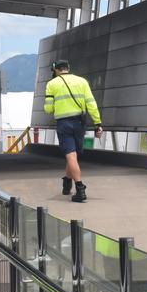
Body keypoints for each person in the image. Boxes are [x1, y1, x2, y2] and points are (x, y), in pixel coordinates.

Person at [44, 59, 102, 202]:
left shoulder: (52, 84)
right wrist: (97, 123)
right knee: (73, 155)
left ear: (56, 70)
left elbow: (48, 109)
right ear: (68, 68)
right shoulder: (82, 81)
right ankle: (67, 182)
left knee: (70, 156)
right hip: (80, 123)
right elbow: (91, 103)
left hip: (64, 124)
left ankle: (80, 188)